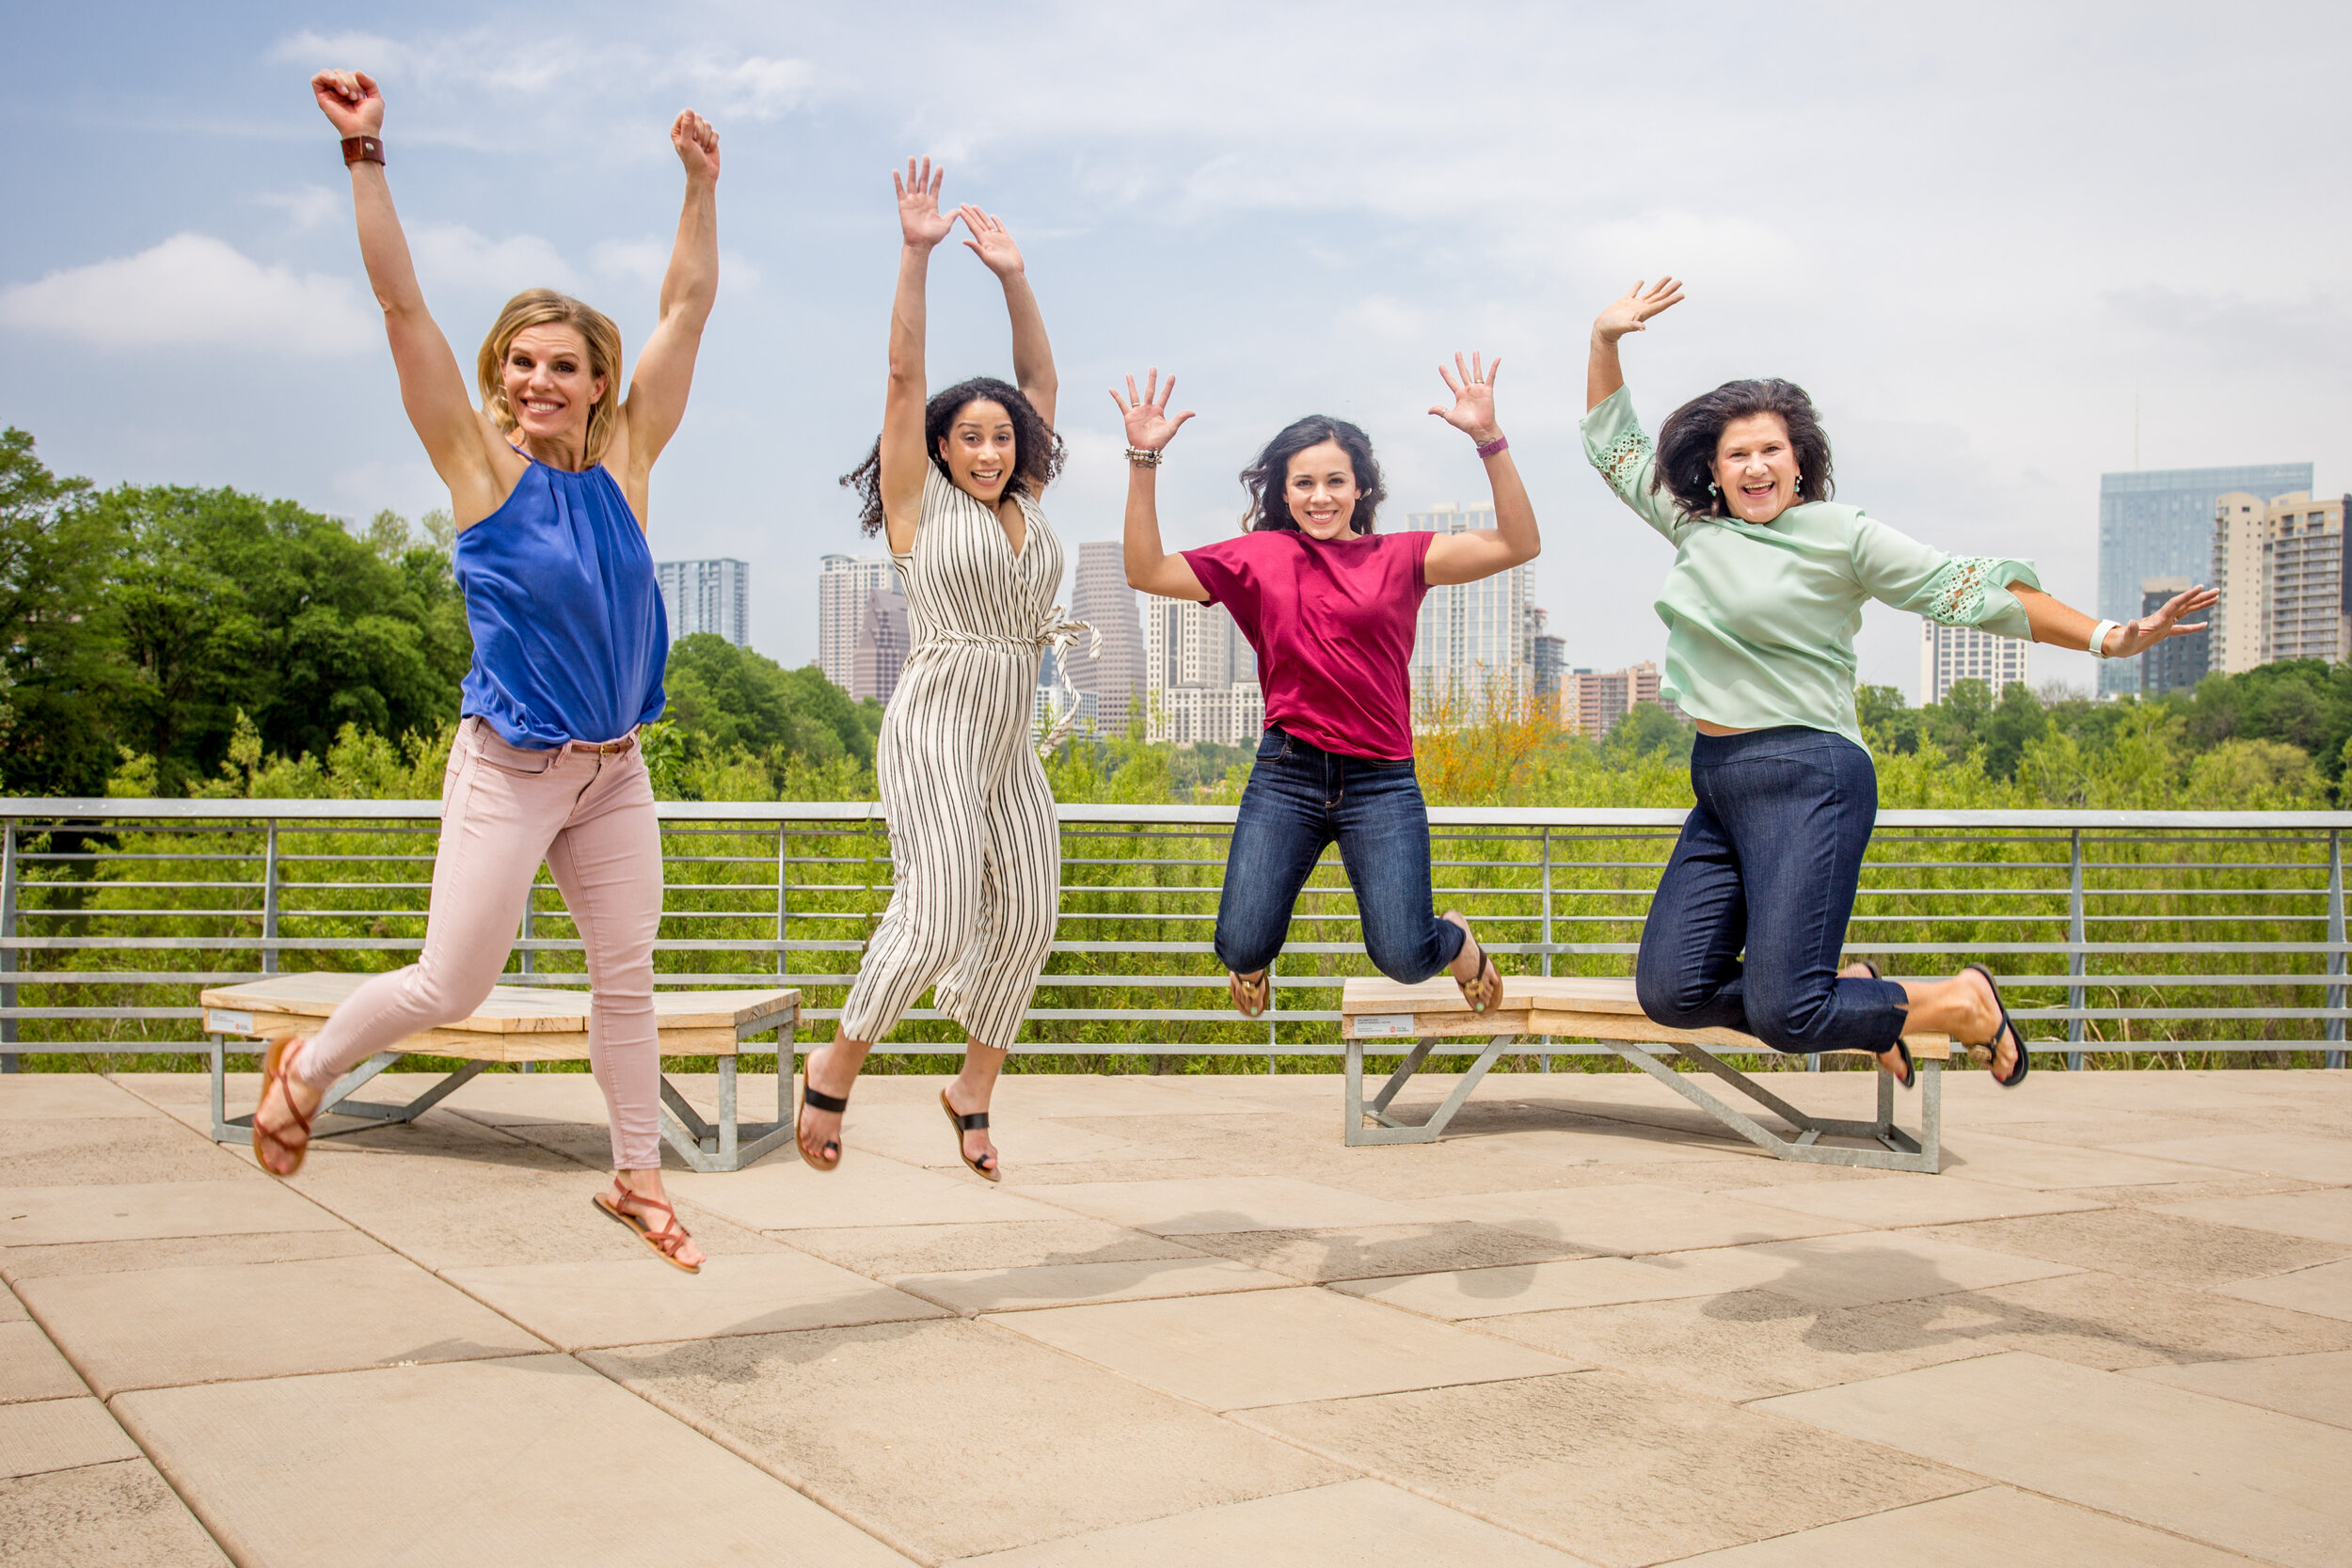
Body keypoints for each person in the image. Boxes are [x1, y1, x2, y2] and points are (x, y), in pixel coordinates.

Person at [247, 69, 723, 1272]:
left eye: (563, 366)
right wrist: (366, 157)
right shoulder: (481, 477)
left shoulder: (625, 467)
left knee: (627, 977)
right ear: (498, 374)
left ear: (597, 382)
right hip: (511, 765)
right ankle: (304, 1064)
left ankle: (636, 1178)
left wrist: (699, 186)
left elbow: (686, 304)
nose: (539, 383)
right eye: (520, 363)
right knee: (451, 979)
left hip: (613, 772)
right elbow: (404, 309)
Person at [1583, 277, 2216, 1088]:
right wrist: (1604, 342)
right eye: (1737, 452)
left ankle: (1961, 1003)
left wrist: (2106, 636)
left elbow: (1968, 586)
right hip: (1721, 782)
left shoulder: (1839, 534)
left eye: (1771, 448)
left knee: (1787, 1015)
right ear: (1713, 467)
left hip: (1812, 775)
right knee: (1671, 991)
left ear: (1800, 460)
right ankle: (1860, 999)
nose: (1755, 466)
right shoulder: (1692, 524)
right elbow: (1615, 447)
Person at [805, 160, 1088, 1182]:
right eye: (968, 435)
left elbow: (1040, 382)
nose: (987, 447)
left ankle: (973, 1085)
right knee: (933, 909)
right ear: (938, 446)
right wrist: (915, 254)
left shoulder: (1029, 497)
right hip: (936, 715)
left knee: (1032, 913)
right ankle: (835, 1064)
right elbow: (901, 376)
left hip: (1012, 724)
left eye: (1001, 435)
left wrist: (1014, 276)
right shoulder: (923, 506)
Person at [1116, 357, 1534, 1018]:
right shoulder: (1258, 558)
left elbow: (1519, 542)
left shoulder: (1403, 556)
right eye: (1303, 483)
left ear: (1360, 487)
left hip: (1380, 780)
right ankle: (1252, 963)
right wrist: (1143, 459)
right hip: (1288, 773)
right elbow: (1144, 571)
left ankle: (1458, 942)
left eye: (1335, 481)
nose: (1320, 496)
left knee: (1401, 955)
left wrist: (1489, 437)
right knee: (1240, 942)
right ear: (1283, 493)